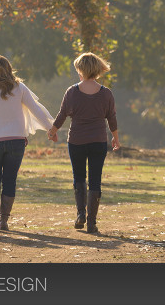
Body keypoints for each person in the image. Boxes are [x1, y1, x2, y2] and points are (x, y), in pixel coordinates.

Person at [0, 55, 55, 231]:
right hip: (16, 142)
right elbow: (36, 109)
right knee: (10, 180)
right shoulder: (19, 88)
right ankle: (4, 221)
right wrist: (50, 129)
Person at [48, 52, 120, 233]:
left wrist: (53, 130)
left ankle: (80, 214)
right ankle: (92, 222)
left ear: (80, 70)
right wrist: (116, 138)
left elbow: (62, 114)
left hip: (76, 141)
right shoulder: (106, 94)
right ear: (97, 70)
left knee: (78, 177)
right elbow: (111, 118)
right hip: (98, 141)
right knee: (95, 180)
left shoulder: (72, 92)